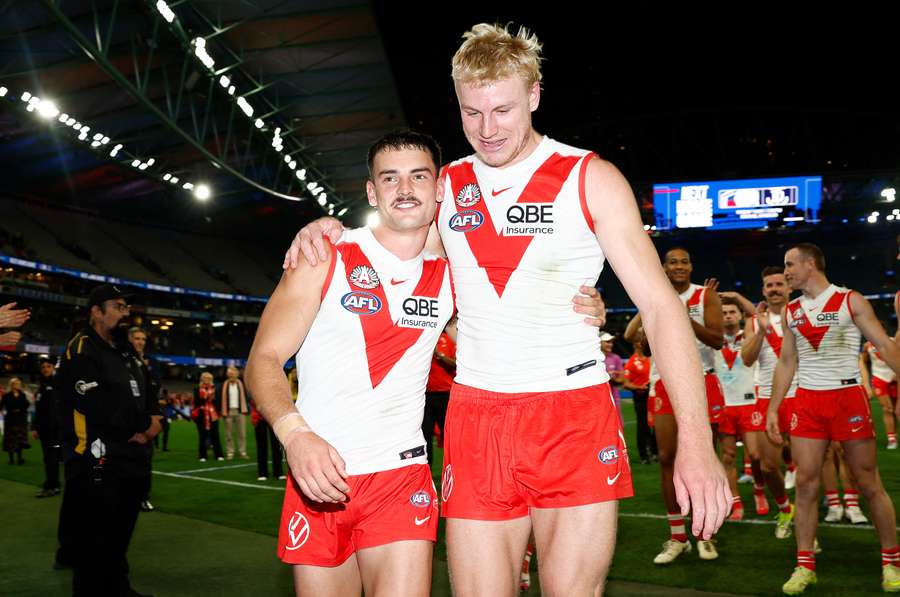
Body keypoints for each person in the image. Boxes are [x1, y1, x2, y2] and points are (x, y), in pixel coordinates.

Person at [284, 24, 729, 596]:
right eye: (472, 113)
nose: (487, 129)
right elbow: (392, 245)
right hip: (477, 415)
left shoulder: (590, 178)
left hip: (571, 412)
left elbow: (663, 310)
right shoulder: (447, 186)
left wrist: (696, 443)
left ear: (535, 95)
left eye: (503, 110)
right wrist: (330, 229)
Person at [246, 131, 454, 596]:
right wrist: (295, 436)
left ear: (439, 188)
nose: (405, 189)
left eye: (419, 176)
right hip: (319, 476)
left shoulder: (453, 275)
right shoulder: (324, 257)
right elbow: (264, 359)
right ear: (371, 192)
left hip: (401, 476)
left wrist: (588, 310)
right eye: (390, 178)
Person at [767, 243, 900, 594]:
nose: (786, 271)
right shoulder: (792, 310)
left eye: (790, 264)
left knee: (868, 483)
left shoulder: (850, 300)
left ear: (811, 264)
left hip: (847, 399)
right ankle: (804, 565)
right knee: (806, 484)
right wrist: (773, 408)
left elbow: (885, 346)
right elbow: (786, 362)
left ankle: (891, 561)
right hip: (808, 402)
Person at [55, 283, 159, 597]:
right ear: (96, 312)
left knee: (118, 536)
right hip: (96, 460)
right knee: (93, 542)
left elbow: (148, 391)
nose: (124, 313)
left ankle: (118, 588)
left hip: (132, 458)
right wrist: (143, 424)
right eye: (117, 306)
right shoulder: (81, 348)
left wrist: (154, 419)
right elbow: (95, 404)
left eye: (126, 307)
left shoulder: (125, 350)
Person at [634, 249, 725, 564]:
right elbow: (646, 347)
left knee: (705, 456)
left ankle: (705, 534)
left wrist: (682, 316)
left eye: (684, 261)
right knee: (666, 458)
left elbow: (717, 340)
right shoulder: (655, 296)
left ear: (691, 266)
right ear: (664, 267)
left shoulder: (705, 296)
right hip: (664, 382)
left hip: (702, 381)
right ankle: (677, 536)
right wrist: (658, 314)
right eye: (673, 262)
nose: (679, 266)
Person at [128, 327, 163, 512]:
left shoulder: (151, 363)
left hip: (147, 420)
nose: (140, 342)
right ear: (129, 340)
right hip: (127, 421)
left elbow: (154, 390)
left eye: (143, 339)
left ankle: (143, 497)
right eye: (136, 338)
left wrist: (156, 418)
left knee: (145, 461)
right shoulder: (122, 361)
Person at [423, 320, 456, 466]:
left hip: (446, 395)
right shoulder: (424, 340)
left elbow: (456, 364)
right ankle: (427, 471)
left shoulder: (450, 339)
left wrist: (439, 355)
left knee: (449, 435)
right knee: (425, 436)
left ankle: (453, 468)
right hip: (426, 395)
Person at [623, 328, 656, 464]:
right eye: (641, 340)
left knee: (655, 425)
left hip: (652, 395)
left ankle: (654, 451)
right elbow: (626, 383)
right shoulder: (631, 362)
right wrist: (639, 387)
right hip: (641, 397)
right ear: (636, 344)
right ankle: (644, 455)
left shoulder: (650, 358)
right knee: (642, 426)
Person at [861, 338, 898, 449]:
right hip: (879, 378)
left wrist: (897, 372)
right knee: (887, 408)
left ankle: (894, 434)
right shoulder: (867, 345)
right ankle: (891, 439)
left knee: (896, 410)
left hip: (894, 377)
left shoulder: (893, 341)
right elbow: (863, 361)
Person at [32, 358, 62, 496]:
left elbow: (56, 409)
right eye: (43, 367)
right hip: (44, 429)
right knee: (48, 458)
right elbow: (38, 409)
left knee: (52, 458)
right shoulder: (42, 385)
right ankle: (52, 484)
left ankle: (52, 486)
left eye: (48, 366)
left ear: (53, 368)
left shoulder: (57, 383)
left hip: (54, 429)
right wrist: (34, 427)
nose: (45, 369)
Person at [251, 397, 284, 481]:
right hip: (259, 415)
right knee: (261, 445)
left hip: (274, 416)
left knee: (276, 445)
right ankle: (262, 472)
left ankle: (278, 472)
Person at [220, 366, 250, 460]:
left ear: (237, 374)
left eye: (233, 373)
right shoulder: (224, 385)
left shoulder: (241, 384)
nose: (231, 375)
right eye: (230, 373)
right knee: (228, 434)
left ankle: (242, 451)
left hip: (240, 411)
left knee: (242, 433)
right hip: (228, 411)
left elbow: (246, 397)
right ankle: (230, 451)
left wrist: (246, 408)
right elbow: (219, 398)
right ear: (227, 375)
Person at [193, 372, 223, 462]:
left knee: (215, 435)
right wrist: (204, 399)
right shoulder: (197, 388)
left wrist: (213, 400)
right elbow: (196, 403)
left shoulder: (215, 388)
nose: (207, 380)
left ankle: (219, 455)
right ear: (202, 379)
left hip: (213, 414)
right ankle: (202, 455)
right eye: (205, 378)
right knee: (202, 436)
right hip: (201, 414)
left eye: (209, 378)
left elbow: (218, 402)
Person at [1, 377, 30, 465]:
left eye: (18, 384)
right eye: (16, 384)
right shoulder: (6, 395)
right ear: (11, 385)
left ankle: (19, 458)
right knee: (10, 440)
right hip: (10, 419)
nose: (17, 385)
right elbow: (1, 406)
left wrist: (21, 409)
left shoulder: (22, 395)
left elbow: (27, 405)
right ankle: (11, 459)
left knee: (20, 440)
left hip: (20, 419)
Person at [601, 332, 625, 423]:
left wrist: (611, 379)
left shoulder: (616, 358)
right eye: (607, 342)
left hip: (614, 396)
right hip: (599, 398)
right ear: (599, 342)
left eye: (611, 342)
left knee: (618, 422)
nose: (610, 344)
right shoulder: (594, 359)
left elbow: (622, 379)